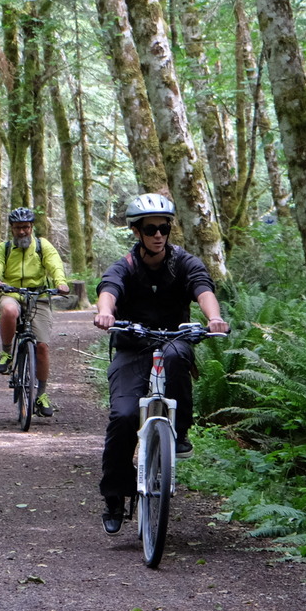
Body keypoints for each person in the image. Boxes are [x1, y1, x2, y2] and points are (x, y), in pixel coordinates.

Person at [91, 193, 229, 535]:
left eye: (164, 228)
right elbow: (109, 288)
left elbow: (203, 288)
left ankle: (179, 432)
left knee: (178, 356)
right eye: (150, 228)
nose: (158, 234)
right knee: (123, 417)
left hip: (173, 338)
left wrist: (214, 318)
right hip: (132, 346)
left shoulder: (184, 262)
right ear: (137, 232)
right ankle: (114, 497)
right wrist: (106, 312)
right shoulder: (126, 265)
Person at [0, 206, 70, 417]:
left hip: (38, 296)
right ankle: (6, 353)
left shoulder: (42, 246)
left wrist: (60, 282)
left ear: (31, 227)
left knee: (42, 346)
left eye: (25, 227)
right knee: (8, 310)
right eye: (17, 228)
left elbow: (55, 265)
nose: (21, 232)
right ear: (11, 229)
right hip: (12, 292)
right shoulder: (4, 248)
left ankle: (41, 394)